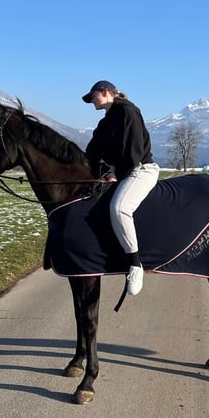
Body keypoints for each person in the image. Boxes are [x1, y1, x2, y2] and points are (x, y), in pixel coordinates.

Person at [82, 80, 159, 296]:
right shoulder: (105, 122)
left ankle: (135, 265)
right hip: (122, 171)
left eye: (93, 97)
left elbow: (134, 151)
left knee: (119, 208)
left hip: (140, 170)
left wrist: (117, 172)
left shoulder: (128, 112)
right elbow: (92, 152)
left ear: (105, 92)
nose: (92, 102)